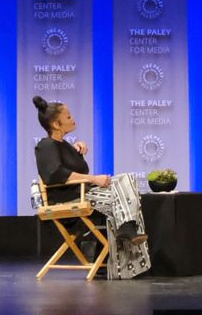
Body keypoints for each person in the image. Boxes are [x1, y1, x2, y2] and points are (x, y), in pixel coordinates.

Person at [31, 95, 150, 279]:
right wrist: (93, 179)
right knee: (119, 201)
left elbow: (73, 167)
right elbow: (55, 174)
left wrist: (77, 151)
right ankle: (125, 240)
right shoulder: (45, 145)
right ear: (56, 124)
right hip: (68, 199)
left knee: (127, 180)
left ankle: (125, 232)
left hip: (84, 194)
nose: (73, 119)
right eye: (68, 117)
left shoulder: (67, 146)